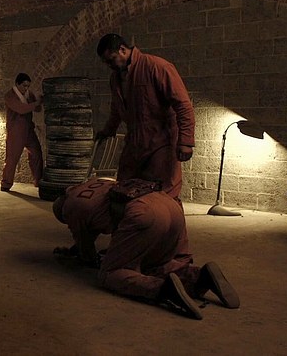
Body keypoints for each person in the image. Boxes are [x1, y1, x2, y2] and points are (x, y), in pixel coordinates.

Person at [52, 177, 240, 320]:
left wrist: (90, 257)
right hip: (170, 205)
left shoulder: (70, 207)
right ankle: (200, 277)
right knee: (153, 263)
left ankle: (162, 289)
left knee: (110, 273)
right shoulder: (95, 182)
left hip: (143, 214)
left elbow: (86, 251)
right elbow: (95, 222)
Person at [94, 33, 195, 200]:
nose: (110, 66)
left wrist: (186, 141)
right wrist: (108, 130)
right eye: (106, 62)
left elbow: (183, 105)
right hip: (134, 142)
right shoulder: (116, 78)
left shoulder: (156, 66)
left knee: (163, 194)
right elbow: (117, 108)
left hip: (161, 142)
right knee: (124, 189)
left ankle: (168, 217)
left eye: (111, 60)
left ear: (122, 49)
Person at [0, 73, 44, 192]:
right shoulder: (10, 95)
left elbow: (38, 109)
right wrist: (36, 103)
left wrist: (39, 101)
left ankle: (38, 181)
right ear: (17, 84)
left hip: (29, 130)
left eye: (28, 86)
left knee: (37, 153)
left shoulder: (29, 94)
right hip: (16, 132)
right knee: (12, 158)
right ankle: (6, 183)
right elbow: (21, 109)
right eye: (24, 86)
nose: (26, 88)